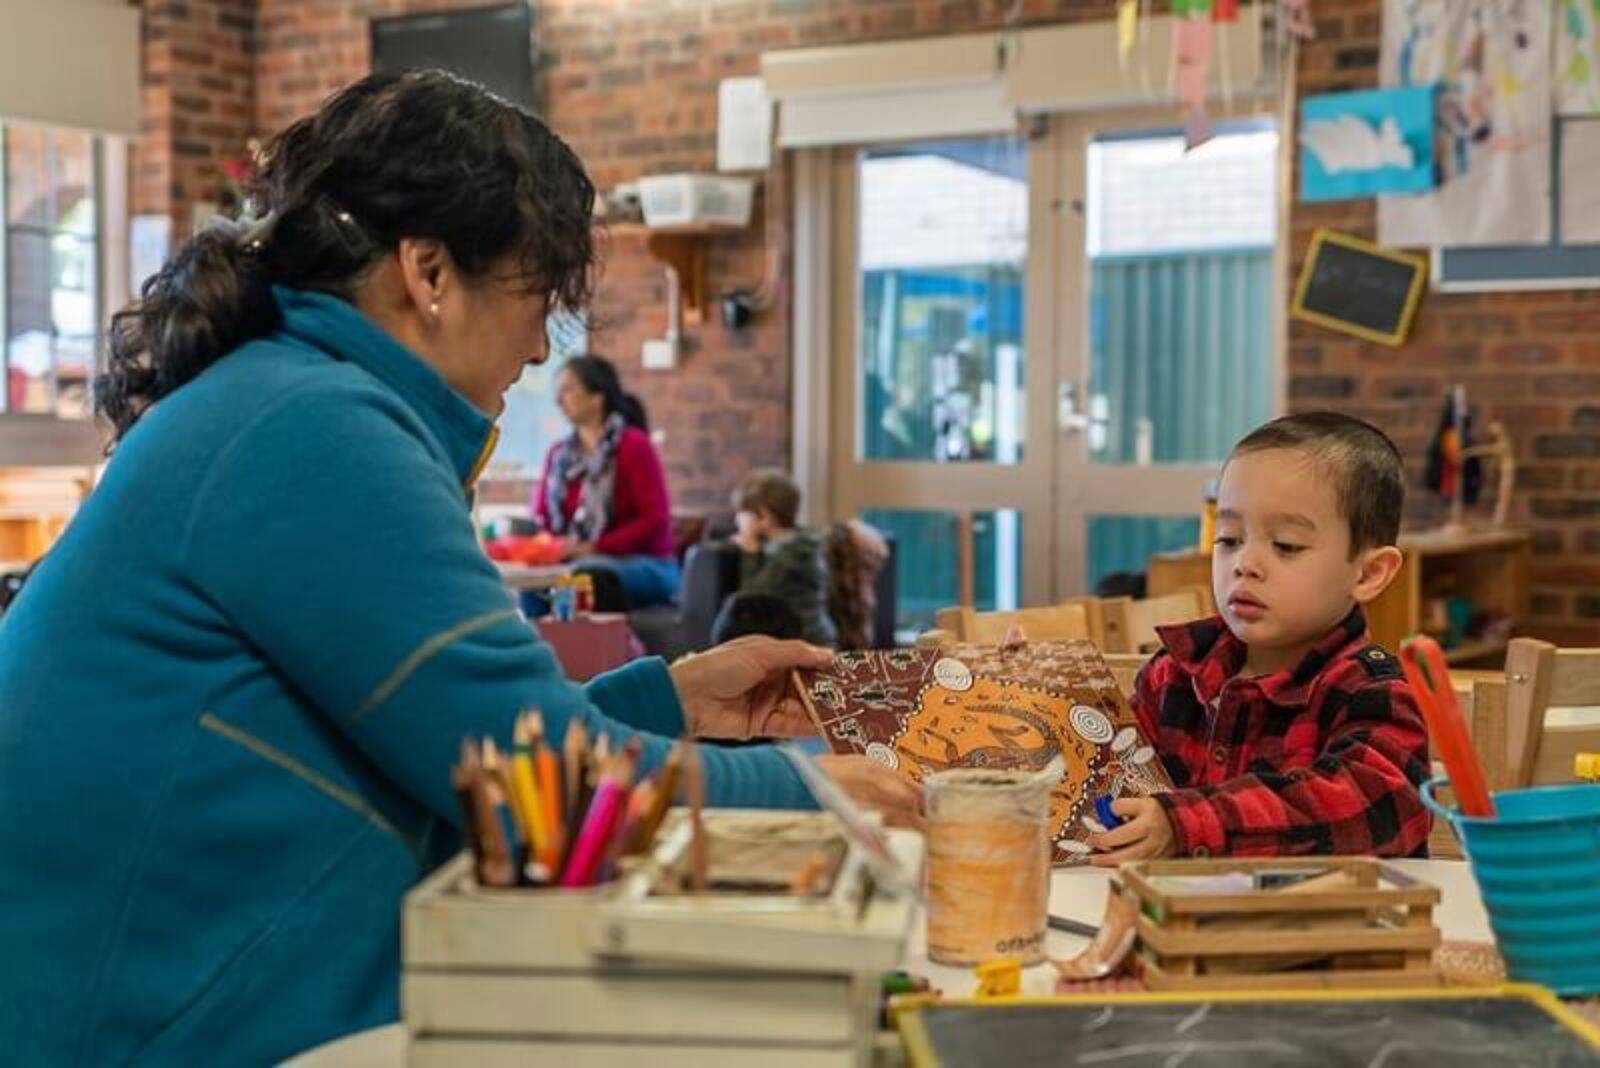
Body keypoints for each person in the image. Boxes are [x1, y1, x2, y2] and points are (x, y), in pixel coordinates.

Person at [0, 71, 919, 1065]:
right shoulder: (312, 426)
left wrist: (672, 699)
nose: (539, 344)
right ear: (429, 272)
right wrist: (822, 790)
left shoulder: (290, 398)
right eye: (539, 297)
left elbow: (468, 734)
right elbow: (534, 775)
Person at [1088, 412, 1431, 864]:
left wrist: (1184, 825)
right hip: (1177, 924)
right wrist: (1031, 694)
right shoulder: (1173, 675)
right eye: (1229, 539)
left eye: (1286, 545)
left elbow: (1370, 805)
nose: (1244, 564)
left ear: (1368, 573)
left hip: (1322, 931)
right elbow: (1102, 779)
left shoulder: (1374, 691)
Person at [534, 355, 678, 609]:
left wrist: (593, 547)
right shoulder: (557, 455)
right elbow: (541, 515)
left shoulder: (633, 445)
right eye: (557, 392)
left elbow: (653, 521)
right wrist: (556, 547)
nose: (558, 400)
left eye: (567, 390)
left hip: (645, 564)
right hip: (574, 560)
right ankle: (540, 649)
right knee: (533, 585)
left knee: (585, 577)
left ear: (596, 397)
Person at [722, 468, 837, 648]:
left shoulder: (791, 555)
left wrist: (750, 554)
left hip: (807, 642)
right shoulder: (794, 543)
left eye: (743, 512)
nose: (737, 519)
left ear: (764, 516)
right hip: (809, 637)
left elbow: (753, 599)